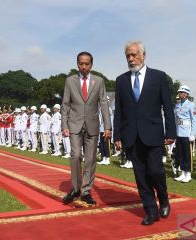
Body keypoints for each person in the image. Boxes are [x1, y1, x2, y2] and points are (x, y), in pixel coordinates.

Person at [113, 41, 176, 225]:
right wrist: (117, 135)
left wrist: (170, 131)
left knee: (155, 171)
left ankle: (163, 197)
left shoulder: (158, 77)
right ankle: (150, 211)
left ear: (143, 55)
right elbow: (119, 110)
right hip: (131, 136)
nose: (130, 59)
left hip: (154, 134)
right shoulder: (121, 80)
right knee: (140, 176)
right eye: (127, 56)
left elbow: (168, 107)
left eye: (133, 55)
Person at [61, 51, 111, 205]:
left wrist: (108, 126)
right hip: (74, 125)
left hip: (93, 125)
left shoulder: (99, 81)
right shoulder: (70, 81)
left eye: (86, 63)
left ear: (91, 65)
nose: (83, 66)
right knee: (75, 156)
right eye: (81, 63)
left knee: (90, 160)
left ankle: (86, 191)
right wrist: (64, 125)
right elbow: (65, 104)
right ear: (77, 64)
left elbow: (103, 104)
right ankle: (76, 189)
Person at [174, 85, 196, 183]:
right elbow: (176, 120)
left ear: (187, 94)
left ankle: (188, 174)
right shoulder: (177, 105)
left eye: (183, 93)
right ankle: (183, 173)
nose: (181, 94)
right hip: (179, 132)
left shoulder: (191, 105)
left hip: (187, 133)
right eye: (180, 92)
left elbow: (195, 120)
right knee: (180, 154)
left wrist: (193, 134)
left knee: (187, 155)